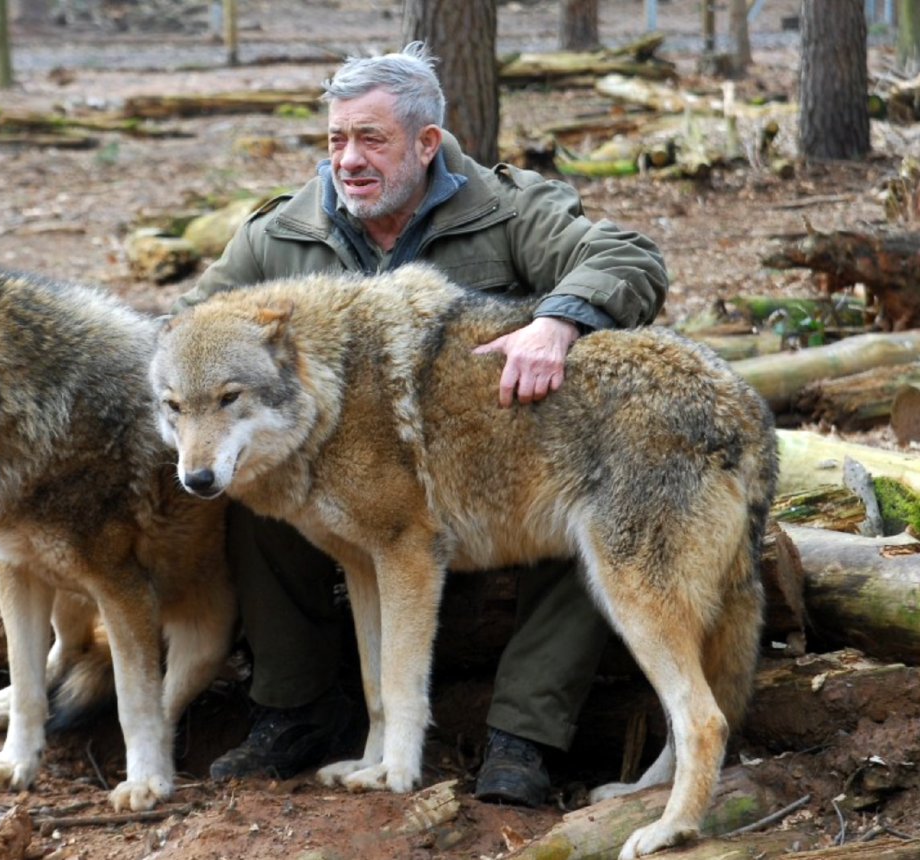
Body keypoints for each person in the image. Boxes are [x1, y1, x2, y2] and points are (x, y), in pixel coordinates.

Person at [173, 41, 669, 806]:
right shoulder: (278, 233)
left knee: (582, 509)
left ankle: (523, 739)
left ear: (426, 142)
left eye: (372, 139)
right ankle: (297, 710)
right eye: (337, 138)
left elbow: (626, 257)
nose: (349, 159)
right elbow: (191, 336)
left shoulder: (506, 207)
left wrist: (558, 323)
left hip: (490, 471)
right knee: (244, 494)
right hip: (349, 496)